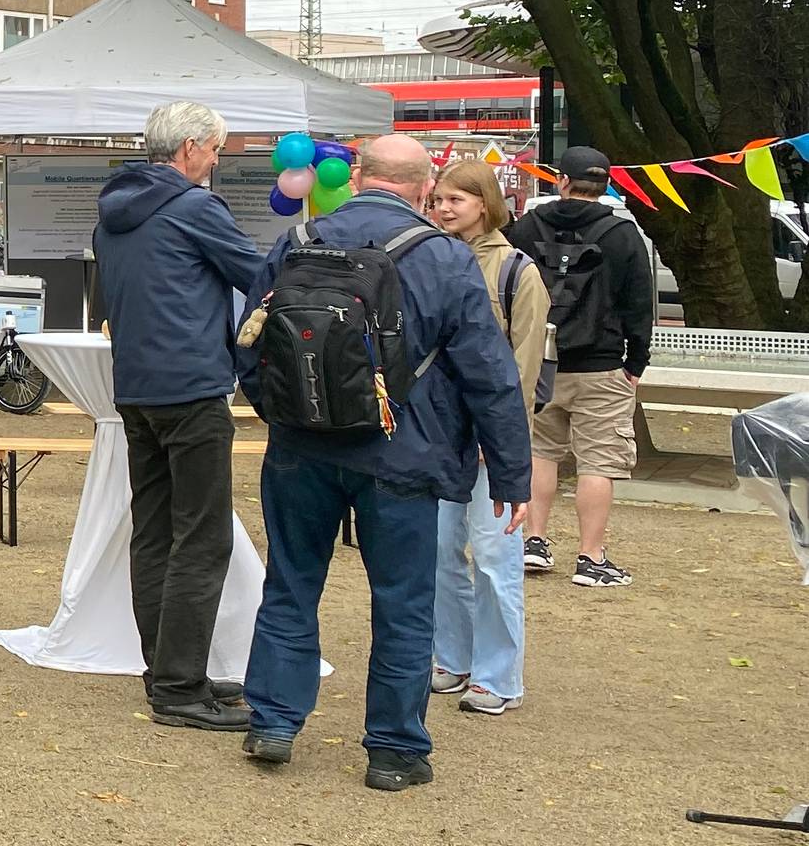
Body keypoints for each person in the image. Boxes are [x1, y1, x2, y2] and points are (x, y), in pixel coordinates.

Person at [238, 134, 531, 792]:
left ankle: (275, 722)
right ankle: (394, 750)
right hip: (404, 452)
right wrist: (511, 474)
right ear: (425, 187)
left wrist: (280, 412)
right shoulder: (448, 260)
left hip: (300, 447)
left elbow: (249, 344)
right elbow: (491, 375)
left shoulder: (297, 242)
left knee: (290, 585)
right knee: (403, 602)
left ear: (359, 175)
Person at [89, 100, 270, 731]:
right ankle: (177, 686)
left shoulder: (111, 212)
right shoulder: (196, 207)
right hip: (192, 388)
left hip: (136, 387)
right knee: (203, 537)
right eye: (216, 148)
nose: (218, 160)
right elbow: (261, 272)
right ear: (191, 147)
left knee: (157, 531)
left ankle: (167, 668)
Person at [428, 161, 548, 716]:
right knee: (438, 551)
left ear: (485, 203)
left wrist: (500, 439)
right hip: (436, 434)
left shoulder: (517, 271)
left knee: (497, 555)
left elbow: (522, 370)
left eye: (457, 199)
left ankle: (499, 674)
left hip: (491, 438)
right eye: (439, 199)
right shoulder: (428, 258)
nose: (445, 208)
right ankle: (453, 656)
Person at [505, 146, 655, 588]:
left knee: (539, 453)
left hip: (538, 361)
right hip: (602, 363)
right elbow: (639, 305)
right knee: (598, 461)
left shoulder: (526, 228)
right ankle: (591, 558)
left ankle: (534, 540)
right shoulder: (623, 234)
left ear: (560, 181)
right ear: (607, 185)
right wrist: (636, 361)